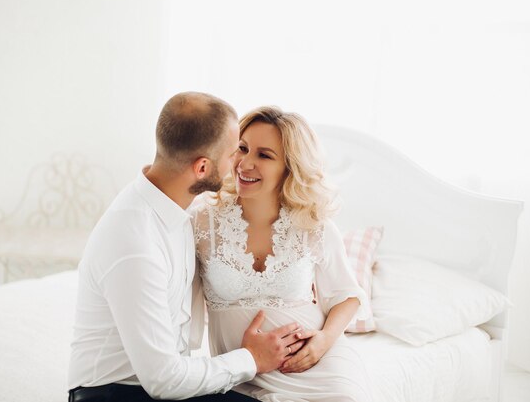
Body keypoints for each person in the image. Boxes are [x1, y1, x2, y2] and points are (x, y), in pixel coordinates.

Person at [68, 93, 308, 402]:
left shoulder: (176, 211)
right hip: (116, 393)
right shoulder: (135, 240)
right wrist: (251, 359)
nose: (239, 163)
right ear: (202, 167)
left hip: (158, 384)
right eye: (234, 152)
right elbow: (164, 380)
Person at [192, 106, 374, 402]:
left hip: (320, 370)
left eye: (264, 155)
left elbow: (347, 296)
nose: (245, 163)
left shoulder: (314, 225)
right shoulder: (202, 222)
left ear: (290, 167)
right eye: (242, 148)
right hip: (241, 375)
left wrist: (324, 341)